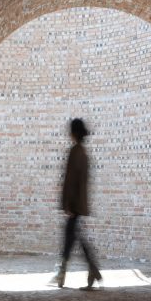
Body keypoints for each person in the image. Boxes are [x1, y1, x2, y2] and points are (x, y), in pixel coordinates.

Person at [54, 118, 102, 289]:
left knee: (72, 238)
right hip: (79, 204)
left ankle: (71, 272)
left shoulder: (75, 152)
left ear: (74, 132)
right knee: (73, 237)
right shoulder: (83, 153)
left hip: (74, 205)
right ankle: (71, 272)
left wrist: (68, 204)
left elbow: (71, 180)